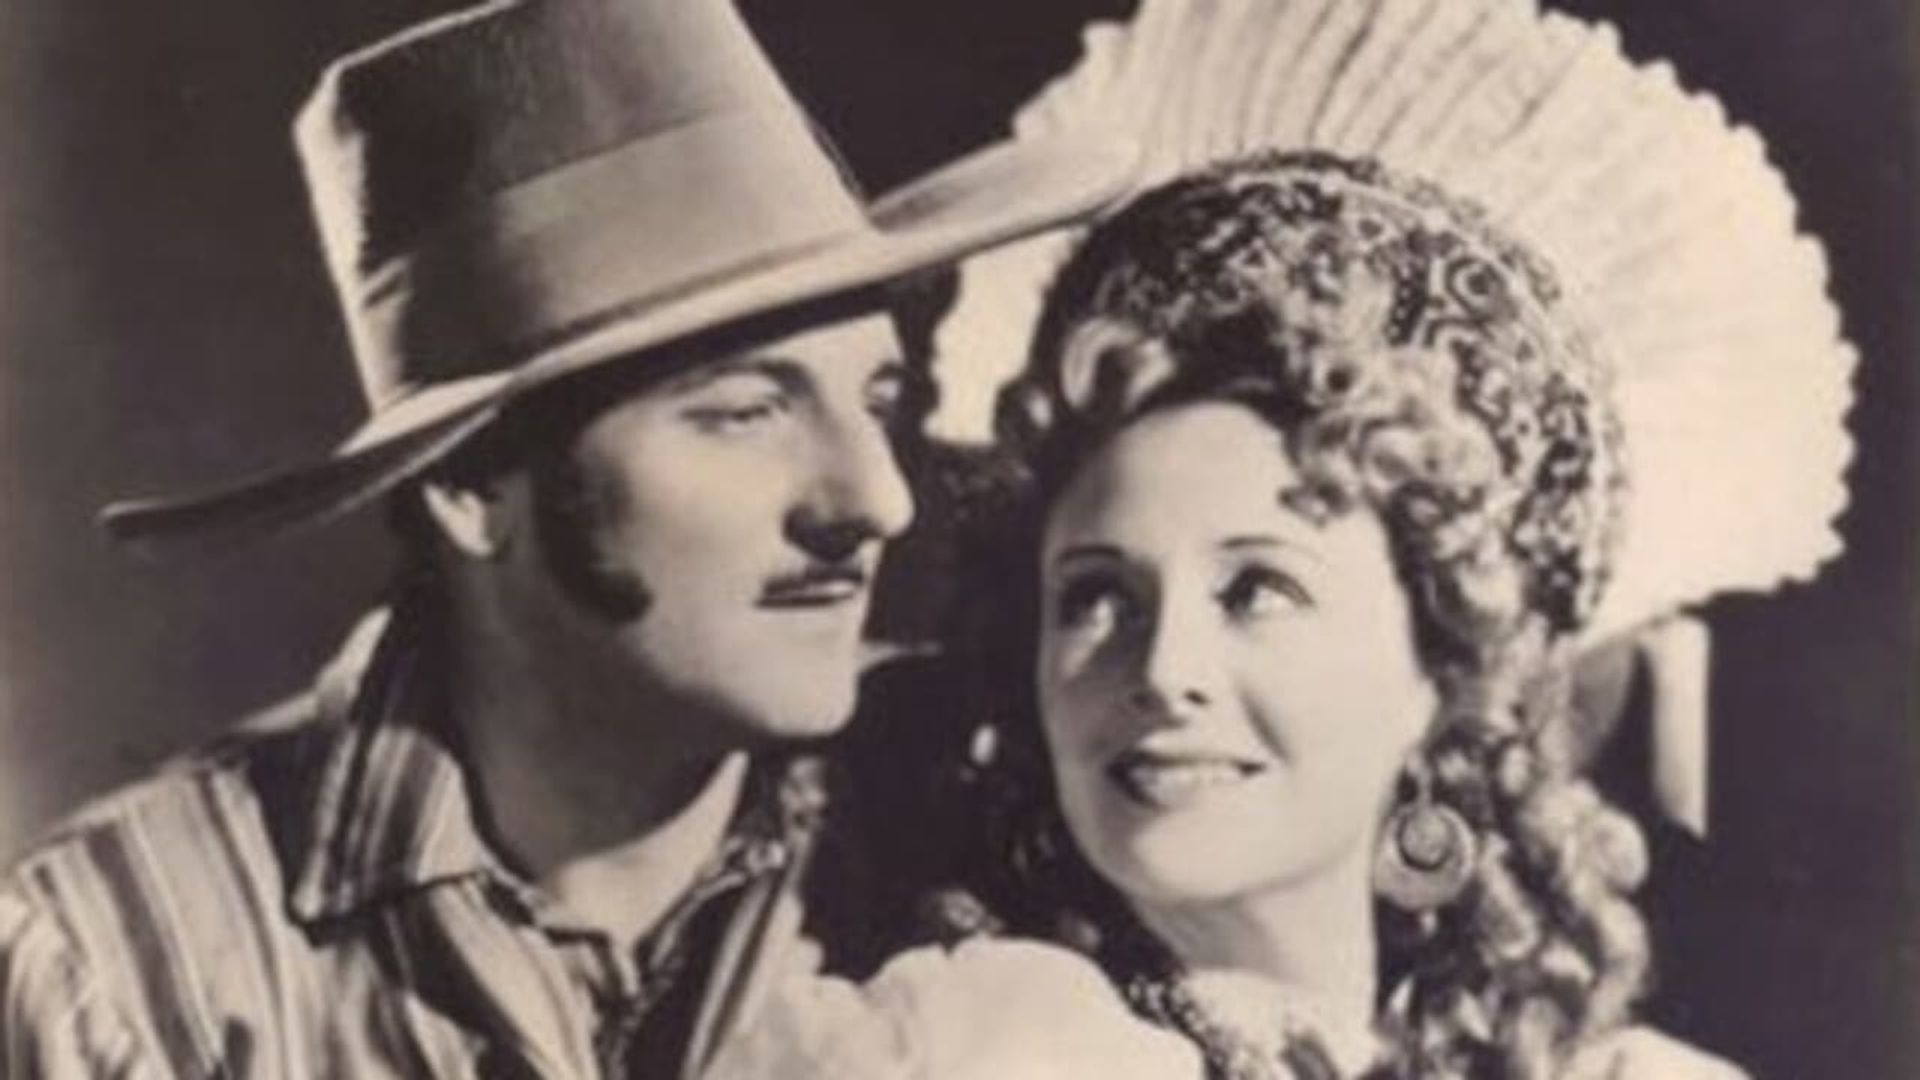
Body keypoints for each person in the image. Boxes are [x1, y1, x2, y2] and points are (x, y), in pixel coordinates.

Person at [0, 0, 1131, 1075]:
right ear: (468, 485)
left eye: (877, 402)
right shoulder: (115, 972)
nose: (876, 500)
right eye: (745, 412)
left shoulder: (997, 804)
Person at [707, 153, 1761, 1079]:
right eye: (1099, 597)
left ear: (1436, 671)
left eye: (1259, 590)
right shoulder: (962, 1052)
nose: (1165, 669)